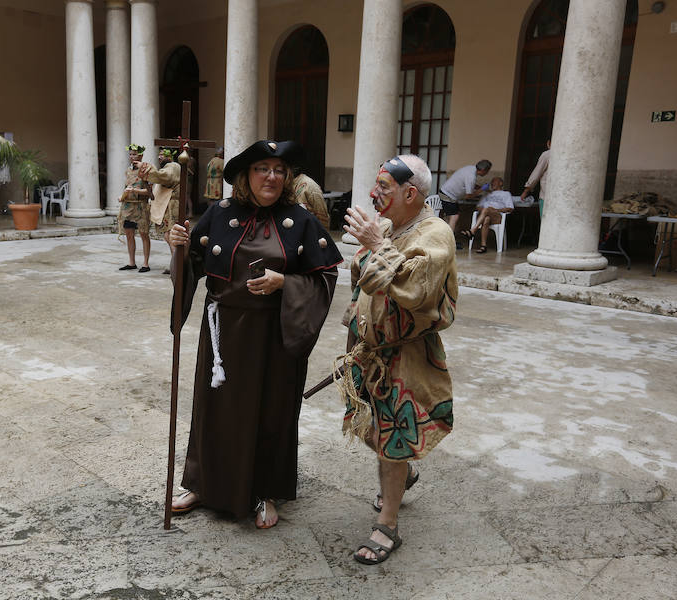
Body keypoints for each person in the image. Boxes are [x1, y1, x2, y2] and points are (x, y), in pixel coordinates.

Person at [168, 140, 343, 528]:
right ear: (246, 176)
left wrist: (286, 282)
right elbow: (194, 264)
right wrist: (177, 248)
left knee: (271, 411)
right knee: (215, 410)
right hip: (223, 333)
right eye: (263, 168)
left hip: (274, 334)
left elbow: (325, 275)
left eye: (279, 170)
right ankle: (203, 483)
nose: (272, 177)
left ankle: (264, 490)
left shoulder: (300, 220)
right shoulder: (219, 213)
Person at [340, 154, 457, 564]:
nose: (374, 194)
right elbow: (365, 280)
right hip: (369, 352)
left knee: (392, 439)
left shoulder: (436, 234)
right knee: (372, 430)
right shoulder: (390, 226)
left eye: (384, 187)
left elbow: (417, 290)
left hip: (405, 357)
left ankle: (387, 526)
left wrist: (375, 246)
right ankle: (403, 474)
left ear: (411, 193)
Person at [138, 147, 181, 274]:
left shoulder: (172, 166)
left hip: (172, 205)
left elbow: (164, 177)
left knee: (171, 236)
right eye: (159, 154)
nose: (159, 157)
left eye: (163, 154)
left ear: (170, 156)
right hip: (167, 205)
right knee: (169, 237)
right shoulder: (168, 167)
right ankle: (175, 264)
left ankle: (177, 267)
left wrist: (147, 168)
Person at [438, 159, 491, 249]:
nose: (487, 173)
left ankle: (449, 240)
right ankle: (449, 243)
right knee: (454, 217)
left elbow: (469, 184)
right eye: (487, 171)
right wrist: (481, 190)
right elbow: (468, 196)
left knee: (454, 216)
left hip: (449, 194)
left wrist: (479, 187)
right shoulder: (471, 176)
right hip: (448, 195)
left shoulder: (471, 169)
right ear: (483, 170)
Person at [116, 143, 152, 273]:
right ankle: (131, 262)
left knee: (143, 234)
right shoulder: (128, 170)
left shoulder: (146, 170)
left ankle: (146, 263)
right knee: (129, 234)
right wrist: (123, 195)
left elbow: (150, 192)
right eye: (130, 154)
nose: (131, 157)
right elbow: (127, 186)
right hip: (127, 205)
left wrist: (136, 191)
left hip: (141, 206)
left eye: (134, 154)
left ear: (141, 155)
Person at [459, 176, 514, 253]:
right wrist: (486, 210)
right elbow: (478, 207)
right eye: (491, 182)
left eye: (494, 181)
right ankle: (483, 246)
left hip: (497, 215)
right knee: (486, 219)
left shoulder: (506, 194)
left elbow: (510, 208)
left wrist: (495, 210)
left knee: (486, 209)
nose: (492, 183)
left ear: (501, 183)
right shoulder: (487, 194)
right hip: (485, 215)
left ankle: (472, 231)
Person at [520, 140, 550, 216]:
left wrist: (526, 190)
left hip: (546, 195)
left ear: (549, 143)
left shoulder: (547, 154)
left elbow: (536, 174)